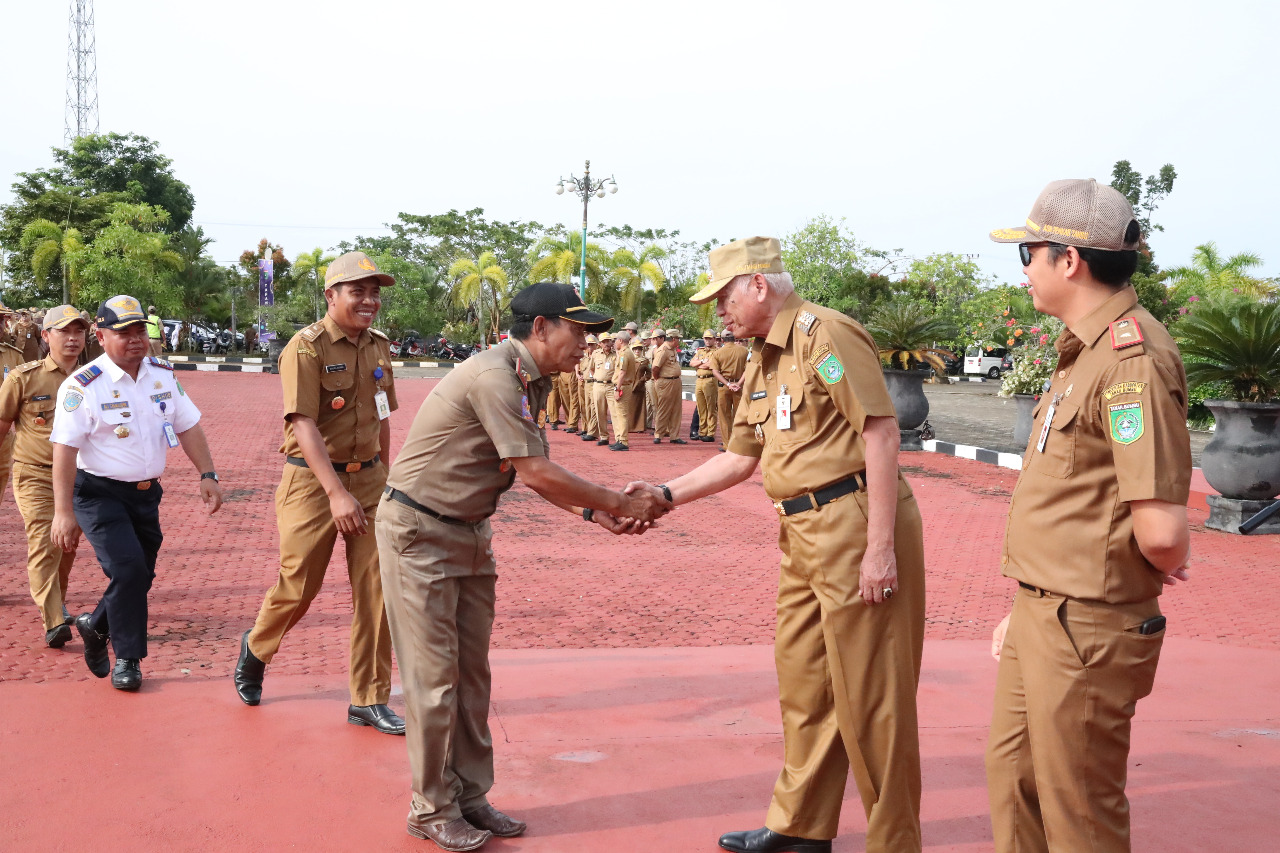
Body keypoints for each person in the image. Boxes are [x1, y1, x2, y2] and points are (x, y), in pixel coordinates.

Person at [630, 236, 927, 853]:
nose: (718, 313)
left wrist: (879, 548)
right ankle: (801, 826)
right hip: (800, 531)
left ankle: (893, 842)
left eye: (723, 298)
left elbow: (879, 432)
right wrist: (663, 492)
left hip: (852, 521)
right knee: (805, 683)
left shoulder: (826, 335)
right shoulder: (763, 358)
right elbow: (740, 456)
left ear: (758, 285)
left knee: (873, 697)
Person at [375, 282, 670, 851]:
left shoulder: (526, 379)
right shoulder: (495, 376)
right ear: (541, 329)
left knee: (471, 675)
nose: (586, 344)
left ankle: (469, 796)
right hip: (420, 535)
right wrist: (618, 502)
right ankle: (431, 807)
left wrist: (591, 511)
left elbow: (533, 472)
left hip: (465, 533)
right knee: (435, 679)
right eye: (578, 331)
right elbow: (533, 471)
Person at [984, 179, 1193, 853]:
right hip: (1047, 610)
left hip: (1086, 625)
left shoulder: (1132, 359)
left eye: (1029, 254)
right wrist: (1032, 603)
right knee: (1015, 783)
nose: (1024, 272)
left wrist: (1134, 564)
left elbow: (1161, 530)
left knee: (1078, 812)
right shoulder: (1085, 349)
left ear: (1067, 261)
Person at [234, 251, 402, 734]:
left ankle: (368, 698)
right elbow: (303, 423)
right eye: (358, 291)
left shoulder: (379, 346)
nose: (369, 300)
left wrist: (385, 478)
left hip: (369, 479)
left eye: (374, 293)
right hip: (312, 482)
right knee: (299, 585)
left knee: (379, 588)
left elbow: (382, 416)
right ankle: (258, 646)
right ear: (331, 295)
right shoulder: (305, 347)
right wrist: (336, 493)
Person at [50, 295, 223, 691]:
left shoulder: (161, 374)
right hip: (98, 494)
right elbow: (64, 450)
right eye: (123, 332)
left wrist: (207, 473)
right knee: (128, 570)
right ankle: (128, 659)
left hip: (146, 495)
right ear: (100, 335)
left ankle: (96, 625)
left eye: (139, 330)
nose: (134, 340)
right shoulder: (83, 385)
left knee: (141, 575)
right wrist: (64, 512)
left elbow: (188, 425)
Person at [0, 305, 89, 646]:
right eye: (64, 331)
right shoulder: (24, 377)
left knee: (67, 545)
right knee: (44, 542)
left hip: (80, 478)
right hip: (34, 474)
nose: (72, 338)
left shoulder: (92, 378)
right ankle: (53, 621)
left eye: (78, 332)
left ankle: (57, 603)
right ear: (46, 335)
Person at [710, 329, 748, 451]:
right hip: (739, 387)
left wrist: (728, 383)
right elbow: (748, 369)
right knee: (739, 415)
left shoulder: (717, 353)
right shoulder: (744, 351)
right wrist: (738, 383)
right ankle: (739, 443)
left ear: (721, 340)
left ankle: (727, 444)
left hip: (724, 387)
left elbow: (715, 371)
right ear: (735, 338)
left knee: (724, 416)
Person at [652, 329, 686, 444]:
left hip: (675, 381)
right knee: (664, 409)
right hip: (665, 382)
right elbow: (655, 368)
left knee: (676, 409)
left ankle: (674, 436)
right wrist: (658, 379)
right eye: (678, 338)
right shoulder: (663, 350)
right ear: (673, 339)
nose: (679, 341)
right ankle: (658, 435)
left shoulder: (672, 350)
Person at [608, 328, 638, 451]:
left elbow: (622, 373)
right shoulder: (625, 352)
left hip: (623, 386)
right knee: (619, 414)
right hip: (624, 385)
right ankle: (620, 439)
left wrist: (617, 388)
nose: (614, 342)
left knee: (622, 414)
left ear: (620, 340)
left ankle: (623, 441)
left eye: (616, 340)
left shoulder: (625, 354)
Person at [690, 329, 719, 442]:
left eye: (709, 338)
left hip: (710, 380)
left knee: (711, 407)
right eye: (705, 338)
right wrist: (702, 362)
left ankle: (710, 433)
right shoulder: (700, 351)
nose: (707, 341)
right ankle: (703, 431)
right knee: (701, 408)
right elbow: (692, 363)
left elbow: (711, 365)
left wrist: (699, 363)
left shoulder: (716, 352)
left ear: (714, 339)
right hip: (699, 380)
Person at [590, 332, 616, 447]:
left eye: (608, 341)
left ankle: (619, 438)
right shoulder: (595, 354)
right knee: (600, 412)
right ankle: (604, 437)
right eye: (604, 342)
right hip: (598, 386)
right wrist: (597, 378)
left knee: (615, 413)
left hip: (611, 386)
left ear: (611, 342)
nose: (606, 344)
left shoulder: (616, 354)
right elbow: (591, 369)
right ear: (599, 344)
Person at [577, 334, 599, 440]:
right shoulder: (584, 356)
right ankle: (585, 428)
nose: (590, 347)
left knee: (593, 408)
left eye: (592, 345)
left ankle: (592, 431)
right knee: (585, 407)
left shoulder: (597, 355)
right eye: (588, 345)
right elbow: (579, 365)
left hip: (594, 383)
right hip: (585, 383)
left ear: (596, 345)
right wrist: (578, 374)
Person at [628, 336, 650, 433]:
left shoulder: (645, 361)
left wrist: (642, 380)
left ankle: (639, 427)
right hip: (629, 386)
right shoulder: (629, 359)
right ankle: (629, 426)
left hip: (640, 387)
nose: (637, 351)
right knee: (629, 407)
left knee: (640, 408)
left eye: (639, 349)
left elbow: (649, 373)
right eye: (635, 348)